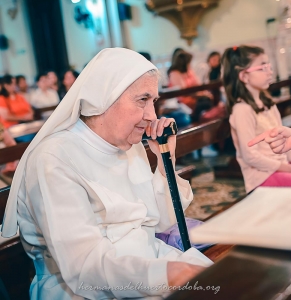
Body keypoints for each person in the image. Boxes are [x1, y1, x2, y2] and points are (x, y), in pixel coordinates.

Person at [1, 48, 213, 299]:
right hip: (83, 289)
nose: (152, 116)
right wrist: (165, 274)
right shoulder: (53, 158)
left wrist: (166, 159)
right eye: (142, 99)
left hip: (150, 262)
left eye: (153, 101)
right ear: (105, 97)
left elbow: (163, 221)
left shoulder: (129, 143)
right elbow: (83, 266)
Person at [222, 45, 291, 193]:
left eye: (269, 66)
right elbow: (250, 156)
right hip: (262, 176)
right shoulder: (242, 110)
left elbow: (285, 143)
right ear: (244, 76)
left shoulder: (268, 103)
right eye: (263, 67)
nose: (270, 71)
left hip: (281, 166)